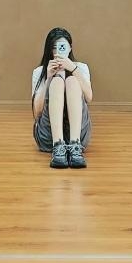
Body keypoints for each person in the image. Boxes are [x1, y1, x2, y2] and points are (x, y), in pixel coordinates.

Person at [32, 27, 93, 168]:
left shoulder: (81, 68)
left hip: (79, 134)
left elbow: (89, 98)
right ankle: (58, 146)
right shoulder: (39, 72)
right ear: (49, 50)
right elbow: (37, 112)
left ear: (70, 48)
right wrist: (48, 78)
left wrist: (73, 70)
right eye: (54, 48)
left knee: (71, 81)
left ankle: (75, 145)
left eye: (62, 47)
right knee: (57, 82)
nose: (58, 52)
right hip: (48, 136)